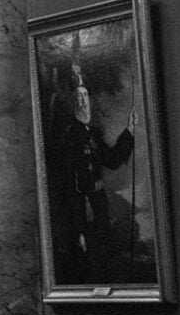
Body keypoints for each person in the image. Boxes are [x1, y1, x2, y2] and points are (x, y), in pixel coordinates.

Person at [52, 77, 137, 283]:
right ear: (72, 104)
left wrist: (130, 131)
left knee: (104, 251)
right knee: (86, 256)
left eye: (85, 97)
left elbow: (113, 160)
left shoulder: (94, 134)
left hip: (98, 204)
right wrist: (79, 225)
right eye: (78, 98)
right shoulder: (69, 137)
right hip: (81, 207)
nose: (83, 102)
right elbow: (69, 184)